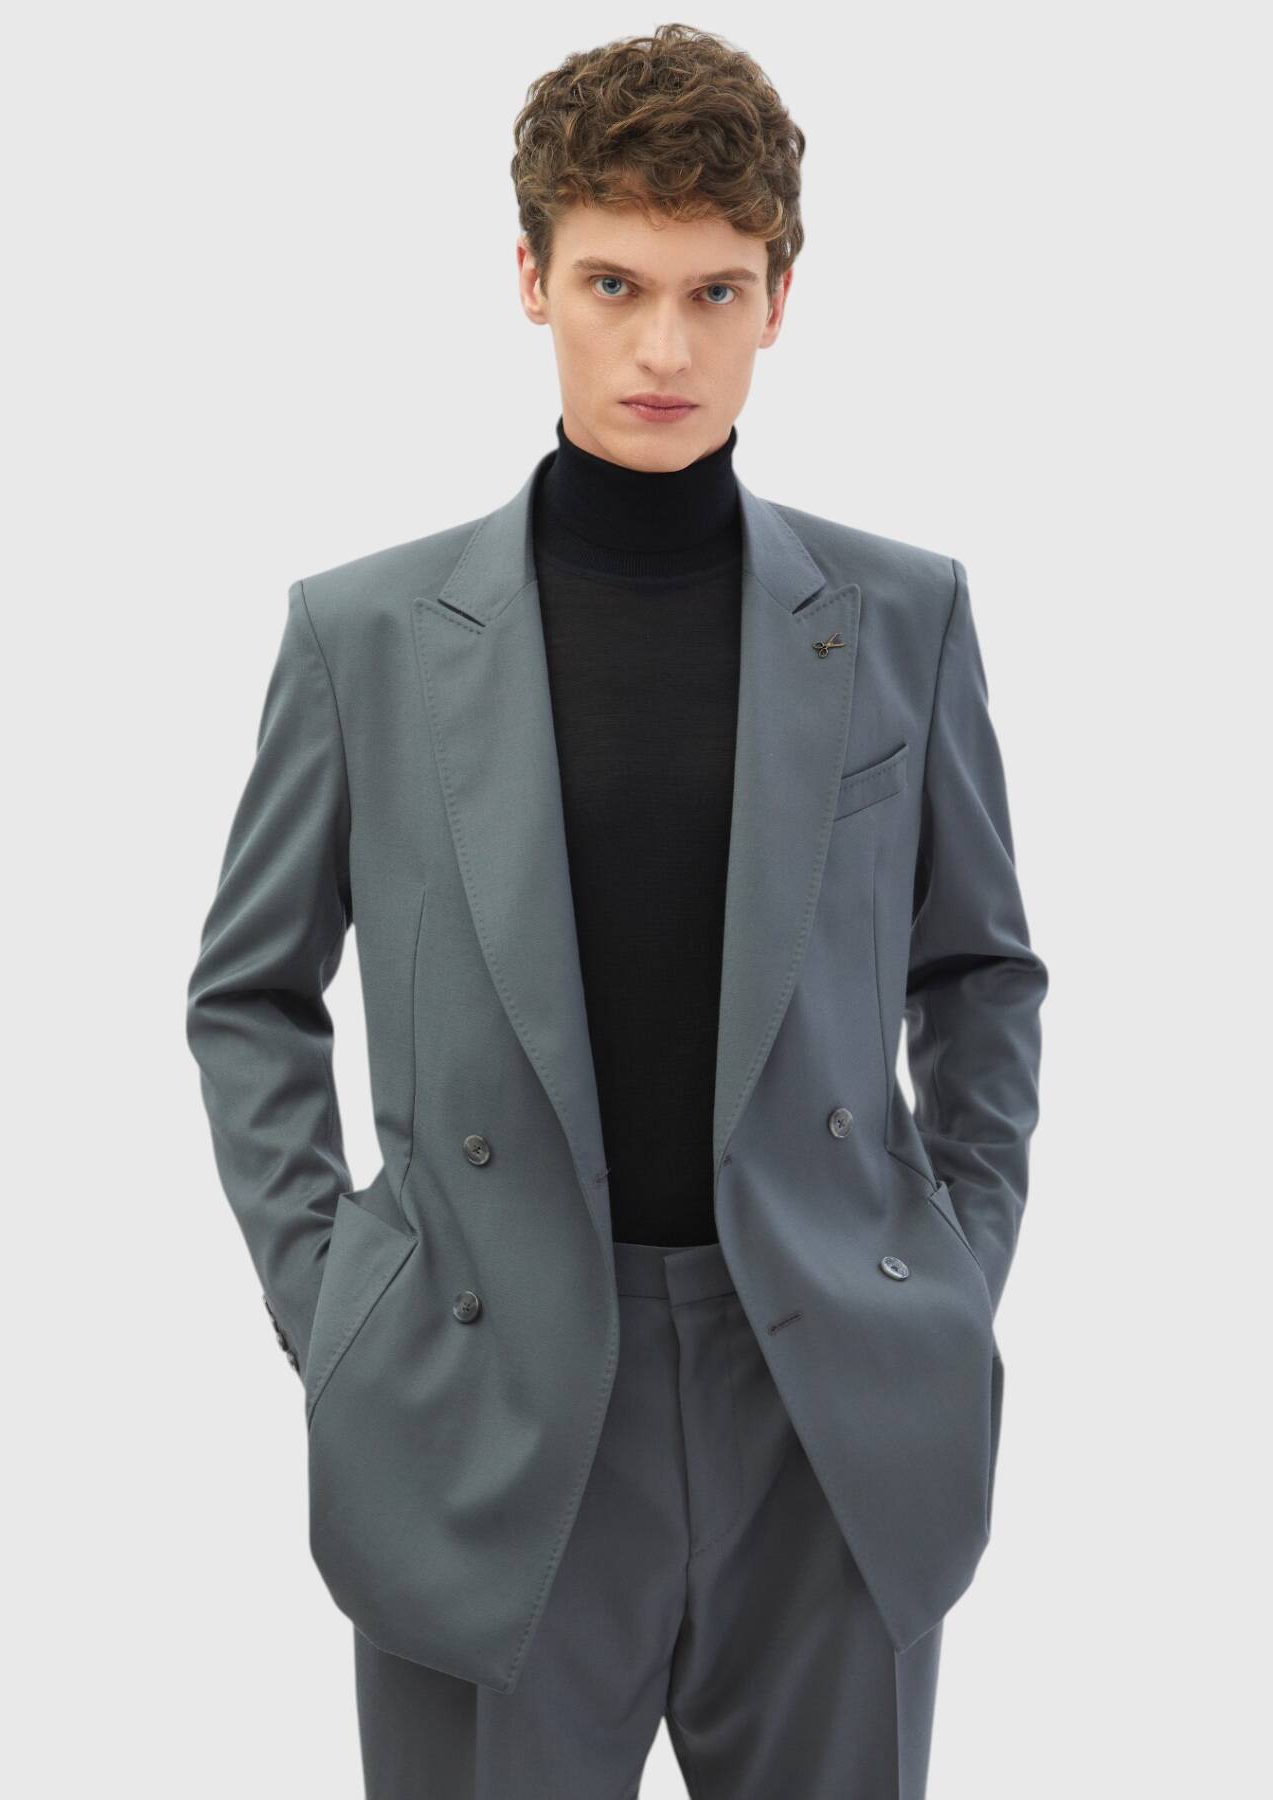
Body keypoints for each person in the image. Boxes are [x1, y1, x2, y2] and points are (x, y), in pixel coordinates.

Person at [186, 23, 1048, 1798]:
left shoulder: (903, 617)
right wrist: (337, 1299)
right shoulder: (363, 635)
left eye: (714, 291)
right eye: (614, 285)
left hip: (824, 1397)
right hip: (479, 1391)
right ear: (529, 279)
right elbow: (249, 993)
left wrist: (950, 1267)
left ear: (780, 297)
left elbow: (977, 972)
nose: (664, 349)